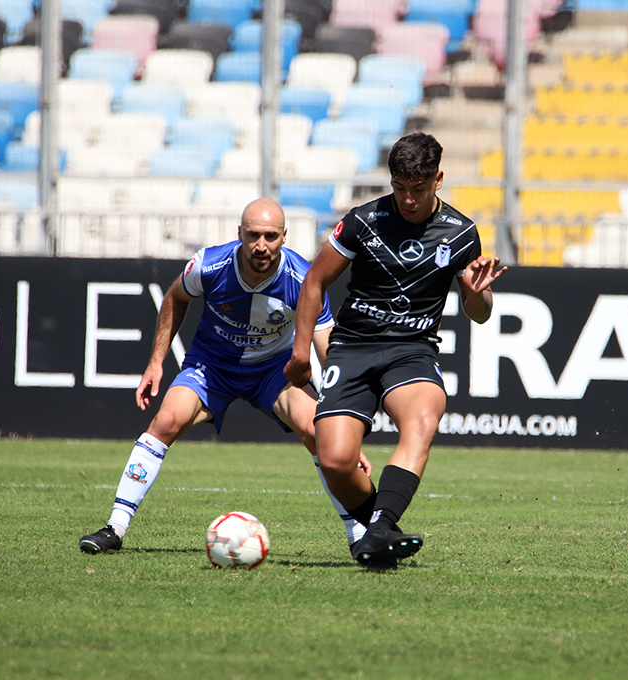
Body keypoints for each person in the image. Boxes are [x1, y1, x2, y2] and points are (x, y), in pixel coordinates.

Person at [80, 198, 371, 555]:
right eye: (253, 236)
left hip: (273, 371)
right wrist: (156, 361)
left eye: (270, 236)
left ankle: (359, 535)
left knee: (319, 432)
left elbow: (329, 350)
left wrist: (342, 423)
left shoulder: (304, 278)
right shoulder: (209, 264)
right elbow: (175, 296)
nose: (261, 245)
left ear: (284, 237)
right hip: (212, 367)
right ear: (240, 234)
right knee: (166, 421)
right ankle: (115, 528)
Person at [284, 132, 508, 569]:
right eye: (400, 188)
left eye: (418, 190)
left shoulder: (462, 234)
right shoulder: (363, 221)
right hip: (352, 346)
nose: (408, 199)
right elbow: (314, 280)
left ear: (438, 179)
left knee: (424, 417)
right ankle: (378, 533)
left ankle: (383, 525)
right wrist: (299, 350)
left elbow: (478, 313)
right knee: (335, 459)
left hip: (412, 350)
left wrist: (479, 294)